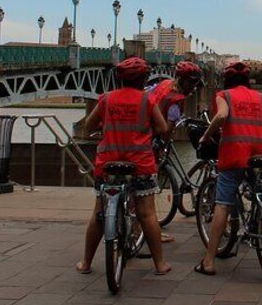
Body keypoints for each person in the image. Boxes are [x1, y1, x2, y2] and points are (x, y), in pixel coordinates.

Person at [76, 57, 171, 275]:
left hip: (108, 164)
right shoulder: (147, 100)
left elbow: (88, 125)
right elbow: (162, 127)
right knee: (147, 214)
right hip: (139, 164)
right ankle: (159, 264)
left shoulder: (107, 99)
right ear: (143, 79)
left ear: (119, 78)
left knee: (98, 213)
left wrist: (107, 127)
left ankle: (86, 263)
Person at [194, 61, 262, 275]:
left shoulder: (224, 95)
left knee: (222, 205)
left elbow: (222, 115)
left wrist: (206, 136)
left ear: (227, 80)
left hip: (234, 155)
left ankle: (208, 262)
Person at [147, 60, 203, 242]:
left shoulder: (163, 84)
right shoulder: (176, 100)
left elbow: (147, 95)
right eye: (193, 83)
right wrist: (163, 146)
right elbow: (167, 129)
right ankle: (147, 230)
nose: (195, 88)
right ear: (185, 81)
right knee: (147, 189)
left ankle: (143, 228)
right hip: (151, 139)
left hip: (141, 132)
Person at [147, 60, 203, 138]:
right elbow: (167, 132)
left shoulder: (165, 82)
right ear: (183, 81)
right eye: (192, 82)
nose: (194, 86)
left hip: (145, 128)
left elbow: (148, 93)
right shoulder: (176, 101)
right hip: (153, 136)